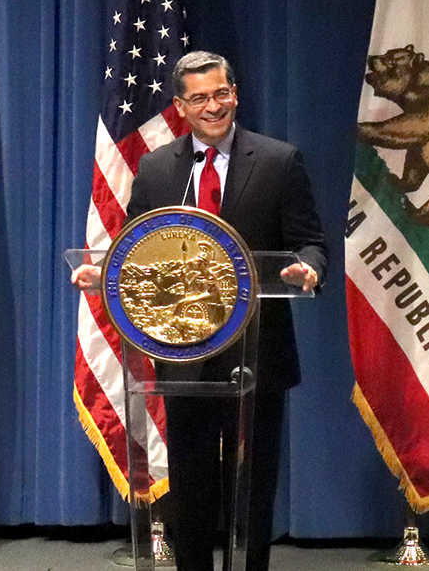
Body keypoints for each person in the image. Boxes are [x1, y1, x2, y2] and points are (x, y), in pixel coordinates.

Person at [72, 50, 328, 571]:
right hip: (183, 351)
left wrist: (309, 268)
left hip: (258, 352)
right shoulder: (156, 167)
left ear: (235, 95)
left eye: (222, 94)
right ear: (180, 106)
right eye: (200, 98)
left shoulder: (279, 161)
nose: (214, 107)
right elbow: (136, 246)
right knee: (190, 486)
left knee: (253, 485)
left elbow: (311, 242)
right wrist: (108, 273)